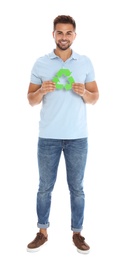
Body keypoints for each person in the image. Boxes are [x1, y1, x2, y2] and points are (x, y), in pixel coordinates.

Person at [26, 15, 99, 254]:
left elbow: (95, 97)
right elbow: (30, 100)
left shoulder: (85, 62)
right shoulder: (41, 63)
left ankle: (77, 233)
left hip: (78, 137)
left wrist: (84, 94)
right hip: (48, 137)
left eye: (68, 33)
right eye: (60, 32)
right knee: (44, 187)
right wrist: (42, 91)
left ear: (74, 36)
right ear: (53, 35)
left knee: (76, 188)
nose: (64, 37)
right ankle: (42, 232)